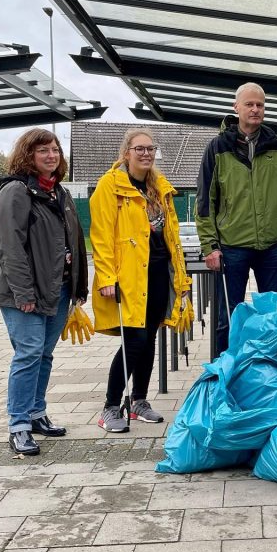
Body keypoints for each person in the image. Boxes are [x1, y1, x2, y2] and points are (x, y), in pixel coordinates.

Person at [0, 129, 87, 455]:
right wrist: (24, 294)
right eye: (43, 150)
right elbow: (10, 249)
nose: (51, 155)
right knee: (29, 353)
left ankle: (36, 413)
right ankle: (18, 425)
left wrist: (77, 286)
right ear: (28, 155)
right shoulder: (16, 192)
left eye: (55, 150)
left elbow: (74, 241)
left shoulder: (59, 192)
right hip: (24, 294)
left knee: (44, 354)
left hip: (57, 289)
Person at [91, 129, 191, 432]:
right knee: (134, 340)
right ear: (127, 153)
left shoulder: (159, 187)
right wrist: (107, 276)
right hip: (129, 277)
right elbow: (101, 236)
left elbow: (171, 236)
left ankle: (138, 401)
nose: (146, 154)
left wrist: (181, 279)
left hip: (159, 272)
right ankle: (110, 406)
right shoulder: (110, 186)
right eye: (140, 149)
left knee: (150, 340)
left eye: (151, 149)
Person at [196, 82, 277, 356]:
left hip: (272, 248)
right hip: (231, 246)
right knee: (227, 318)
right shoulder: (217, 148)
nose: (255, 109)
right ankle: (221, 376)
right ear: (236, 107)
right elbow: (205, 202)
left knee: (276, 315)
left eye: (260, 105)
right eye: (249, 104)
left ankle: (274, 375)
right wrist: (210, 246)